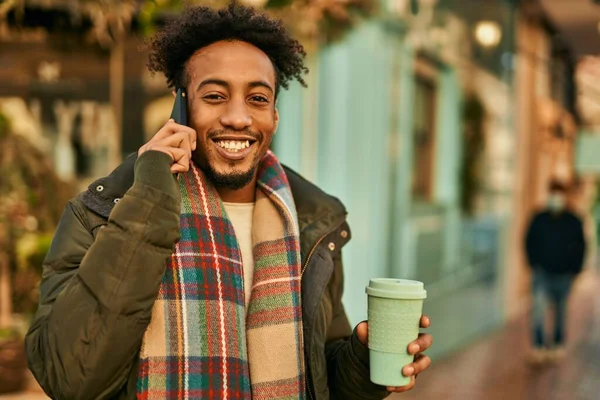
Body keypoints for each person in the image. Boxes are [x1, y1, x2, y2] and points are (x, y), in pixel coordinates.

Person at [25, 5, 432, 399]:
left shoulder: (311, 222)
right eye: (215, 96)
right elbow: (69, 380)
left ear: (274, 115)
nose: (238, 117)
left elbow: (322, 378)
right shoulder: (103, 212)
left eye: (257, 99)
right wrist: (148, 197)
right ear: (182, 105)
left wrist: (363, 363)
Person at [525, 179, 586, 365]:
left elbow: (582, 246)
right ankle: (539, 346)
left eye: (559, 194)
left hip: (563, 275)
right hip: (542, 274)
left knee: (560, 312)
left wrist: (575, 270)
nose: (556, 198)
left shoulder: (573, 220)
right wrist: (533, 264)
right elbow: (528, 241)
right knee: (538, 312)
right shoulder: (539, 218)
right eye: (553, 193)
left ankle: (558, 344)